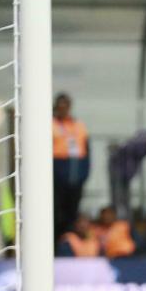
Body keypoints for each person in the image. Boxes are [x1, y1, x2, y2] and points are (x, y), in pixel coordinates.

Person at [52, 93, 91, 242]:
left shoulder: (78, 125)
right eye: (60, 106)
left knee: (71, 214)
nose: (63, 109)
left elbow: (86, 150)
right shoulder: (51, 124)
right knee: (55, 212)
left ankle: (67, 246)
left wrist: (83, 174)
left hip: (75, 173)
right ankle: (54, 246)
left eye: (65, 106)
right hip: (57, 171)